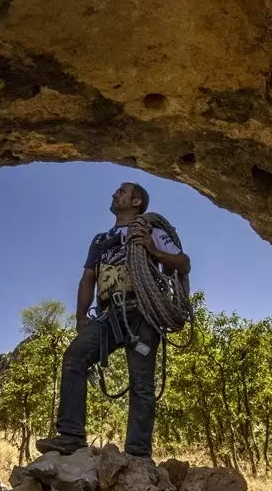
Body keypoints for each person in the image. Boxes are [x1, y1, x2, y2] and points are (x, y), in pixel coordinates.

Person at [35, 181, 191, 458]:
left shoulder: (151, 229)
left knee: (141, 381)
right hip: (109, 314)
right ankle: (71, 436)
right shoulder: (100, 239)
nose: (114, 194)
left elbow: (182, 263)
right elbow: (88, 278)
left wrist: (153, 251)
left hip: (142, 312)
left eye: (121, 191)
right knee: (75, 356)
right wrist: (81, 315)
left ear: (136, 201)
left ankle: (137, 453)